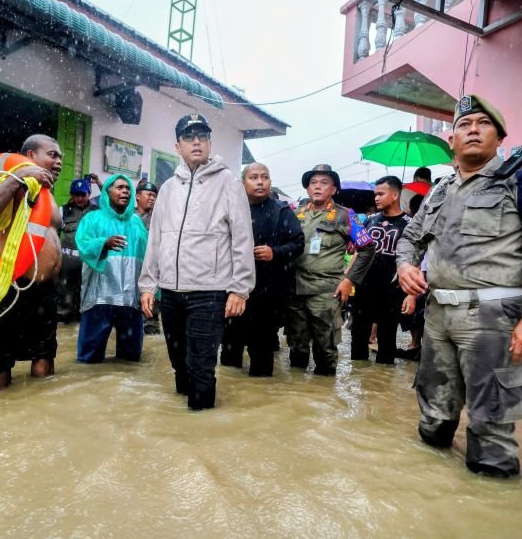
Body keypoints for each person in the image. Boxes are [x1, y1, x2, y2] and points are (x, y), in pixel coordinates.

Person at [396, 95, 522, 477]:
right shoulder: (441, 190)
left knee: (491, 430)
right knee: (434, 417)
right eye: (464, 124)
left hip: (492, 319)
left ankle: (492, 508)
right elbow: (409, 236)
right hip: (438, 316)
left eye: (483, 123)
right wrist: (405, 264)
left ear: (499, 135)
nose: (473, 129)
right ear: (453, 140)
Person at [139, 112, 255, 410]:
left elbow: (242, 238)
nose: (196, 142)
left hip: (209, 291)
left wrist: (240, 289)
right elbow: (156, 239)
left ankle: (200, 426)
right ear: (177, 146)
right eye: (189, 137)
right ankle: (182, 433)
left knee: (201, 366)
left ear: (209, 142)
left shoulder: (228, 182)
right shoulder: (166, 188)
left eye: (202, 136)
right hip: (171, 292)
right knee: (179, 362)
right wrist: (148, 285)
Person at [0, 134, 63, 390]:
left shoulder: (49, 195)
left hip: (44, 293)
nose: (59, 162)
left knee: (45, 362)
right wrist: (19, 178)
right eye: (52, 155)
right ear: (31, 155)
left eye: (60, 157)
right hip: (7, 290)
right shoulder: (7, 183)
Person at [286, 164, 375, 376]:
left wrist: (349, 280)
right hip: (295, 290)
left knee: (325, 347)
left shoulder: (345, 216)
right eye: (313, 183)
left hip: (326, 291)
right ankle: (293, 396)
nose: (317, 187)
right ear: (307, 189)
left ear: (334, 189)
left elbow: (367, 248)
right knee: (296, 345)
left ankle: (324, 396)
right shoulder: (295, 214)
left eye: (324, 183)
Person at [220, 162, 304, 376]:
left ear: (270, 182)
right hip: (233, 291)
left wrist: (275, 252)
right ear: (242, 183)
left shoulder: (282, 211)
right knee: (230, 351)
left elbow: (298, 243)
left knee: (262, 354)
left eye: (264, 177)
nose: (260, 182)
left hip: (268, 294)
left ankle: (259, 397)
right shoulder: (231, 209)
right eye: (254, 177)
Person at [75, 174, 148, 362]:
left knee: (130, 360)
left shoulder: (137, 222)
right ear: (107, 192)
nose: (125, 191)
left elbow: (148, 255)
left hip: (131, 299)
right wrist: (103, 243)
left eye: (128, 189)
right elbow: (82, 245)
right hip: (100, 298)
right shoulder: (93, 219)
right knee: (89, 359)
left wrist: (149, 291)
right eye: (119, 187)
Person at [350, 176, 413, 365]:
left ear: (395, 195)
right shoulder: (369, 221)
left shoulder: (409, 224)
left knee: (387, 338)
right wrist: (348, 277)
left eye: (380, 194)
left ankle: (383, 379)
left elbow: (414, 260)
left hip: (392, 289)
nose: (376, 198)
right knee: (358, 336)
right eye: (375, 194)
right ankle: (359, 378)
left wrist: (410, 295)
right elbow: (359, 252)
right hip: (364, 286)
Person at [58, 176, 97, 323]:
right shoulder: (63, 210)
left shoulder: (96, 212)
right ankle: (64, 323)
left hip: (89, 261)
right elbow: (54, 236)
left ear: (89, 194)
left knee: (87, 294)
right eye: (76, 195)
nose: (79, 198)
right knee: (65, 296)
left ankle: (84, 323)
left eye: (83, 194)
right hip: (68, 260)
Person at [135, 180, 162, 335]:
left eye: (154, 196)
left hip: (151, 272)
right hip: (132, 271)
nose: (152, 198)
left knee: (150, 320)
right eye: (149, 195)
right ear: (138, 196)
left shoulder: (158, 218)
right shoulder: (128, 216)